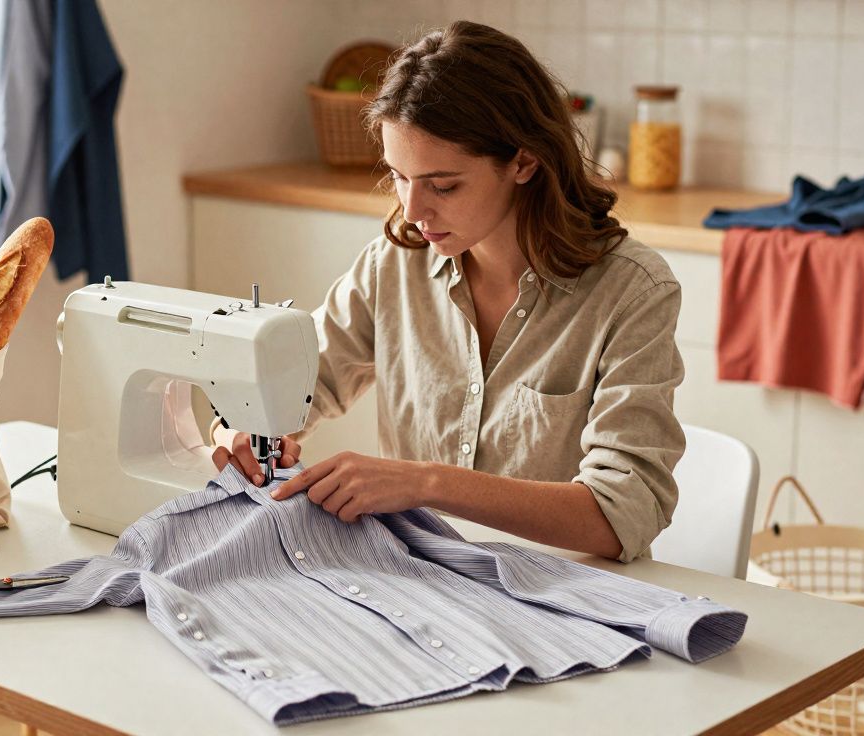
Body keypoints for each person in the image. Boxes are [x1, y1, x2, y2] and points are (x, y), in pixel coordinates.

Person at [211, 21, 685, 563]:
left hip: (561, 591)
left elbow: (623, 514)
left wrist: (426, 483)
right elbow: (291, 384)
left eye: (443, 185)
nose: (413, 211)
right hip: (423, 582)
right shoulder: (395, 264)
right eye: (398, 176)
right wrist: (237, 429)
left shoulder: (633, 291)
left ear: (524, 161)